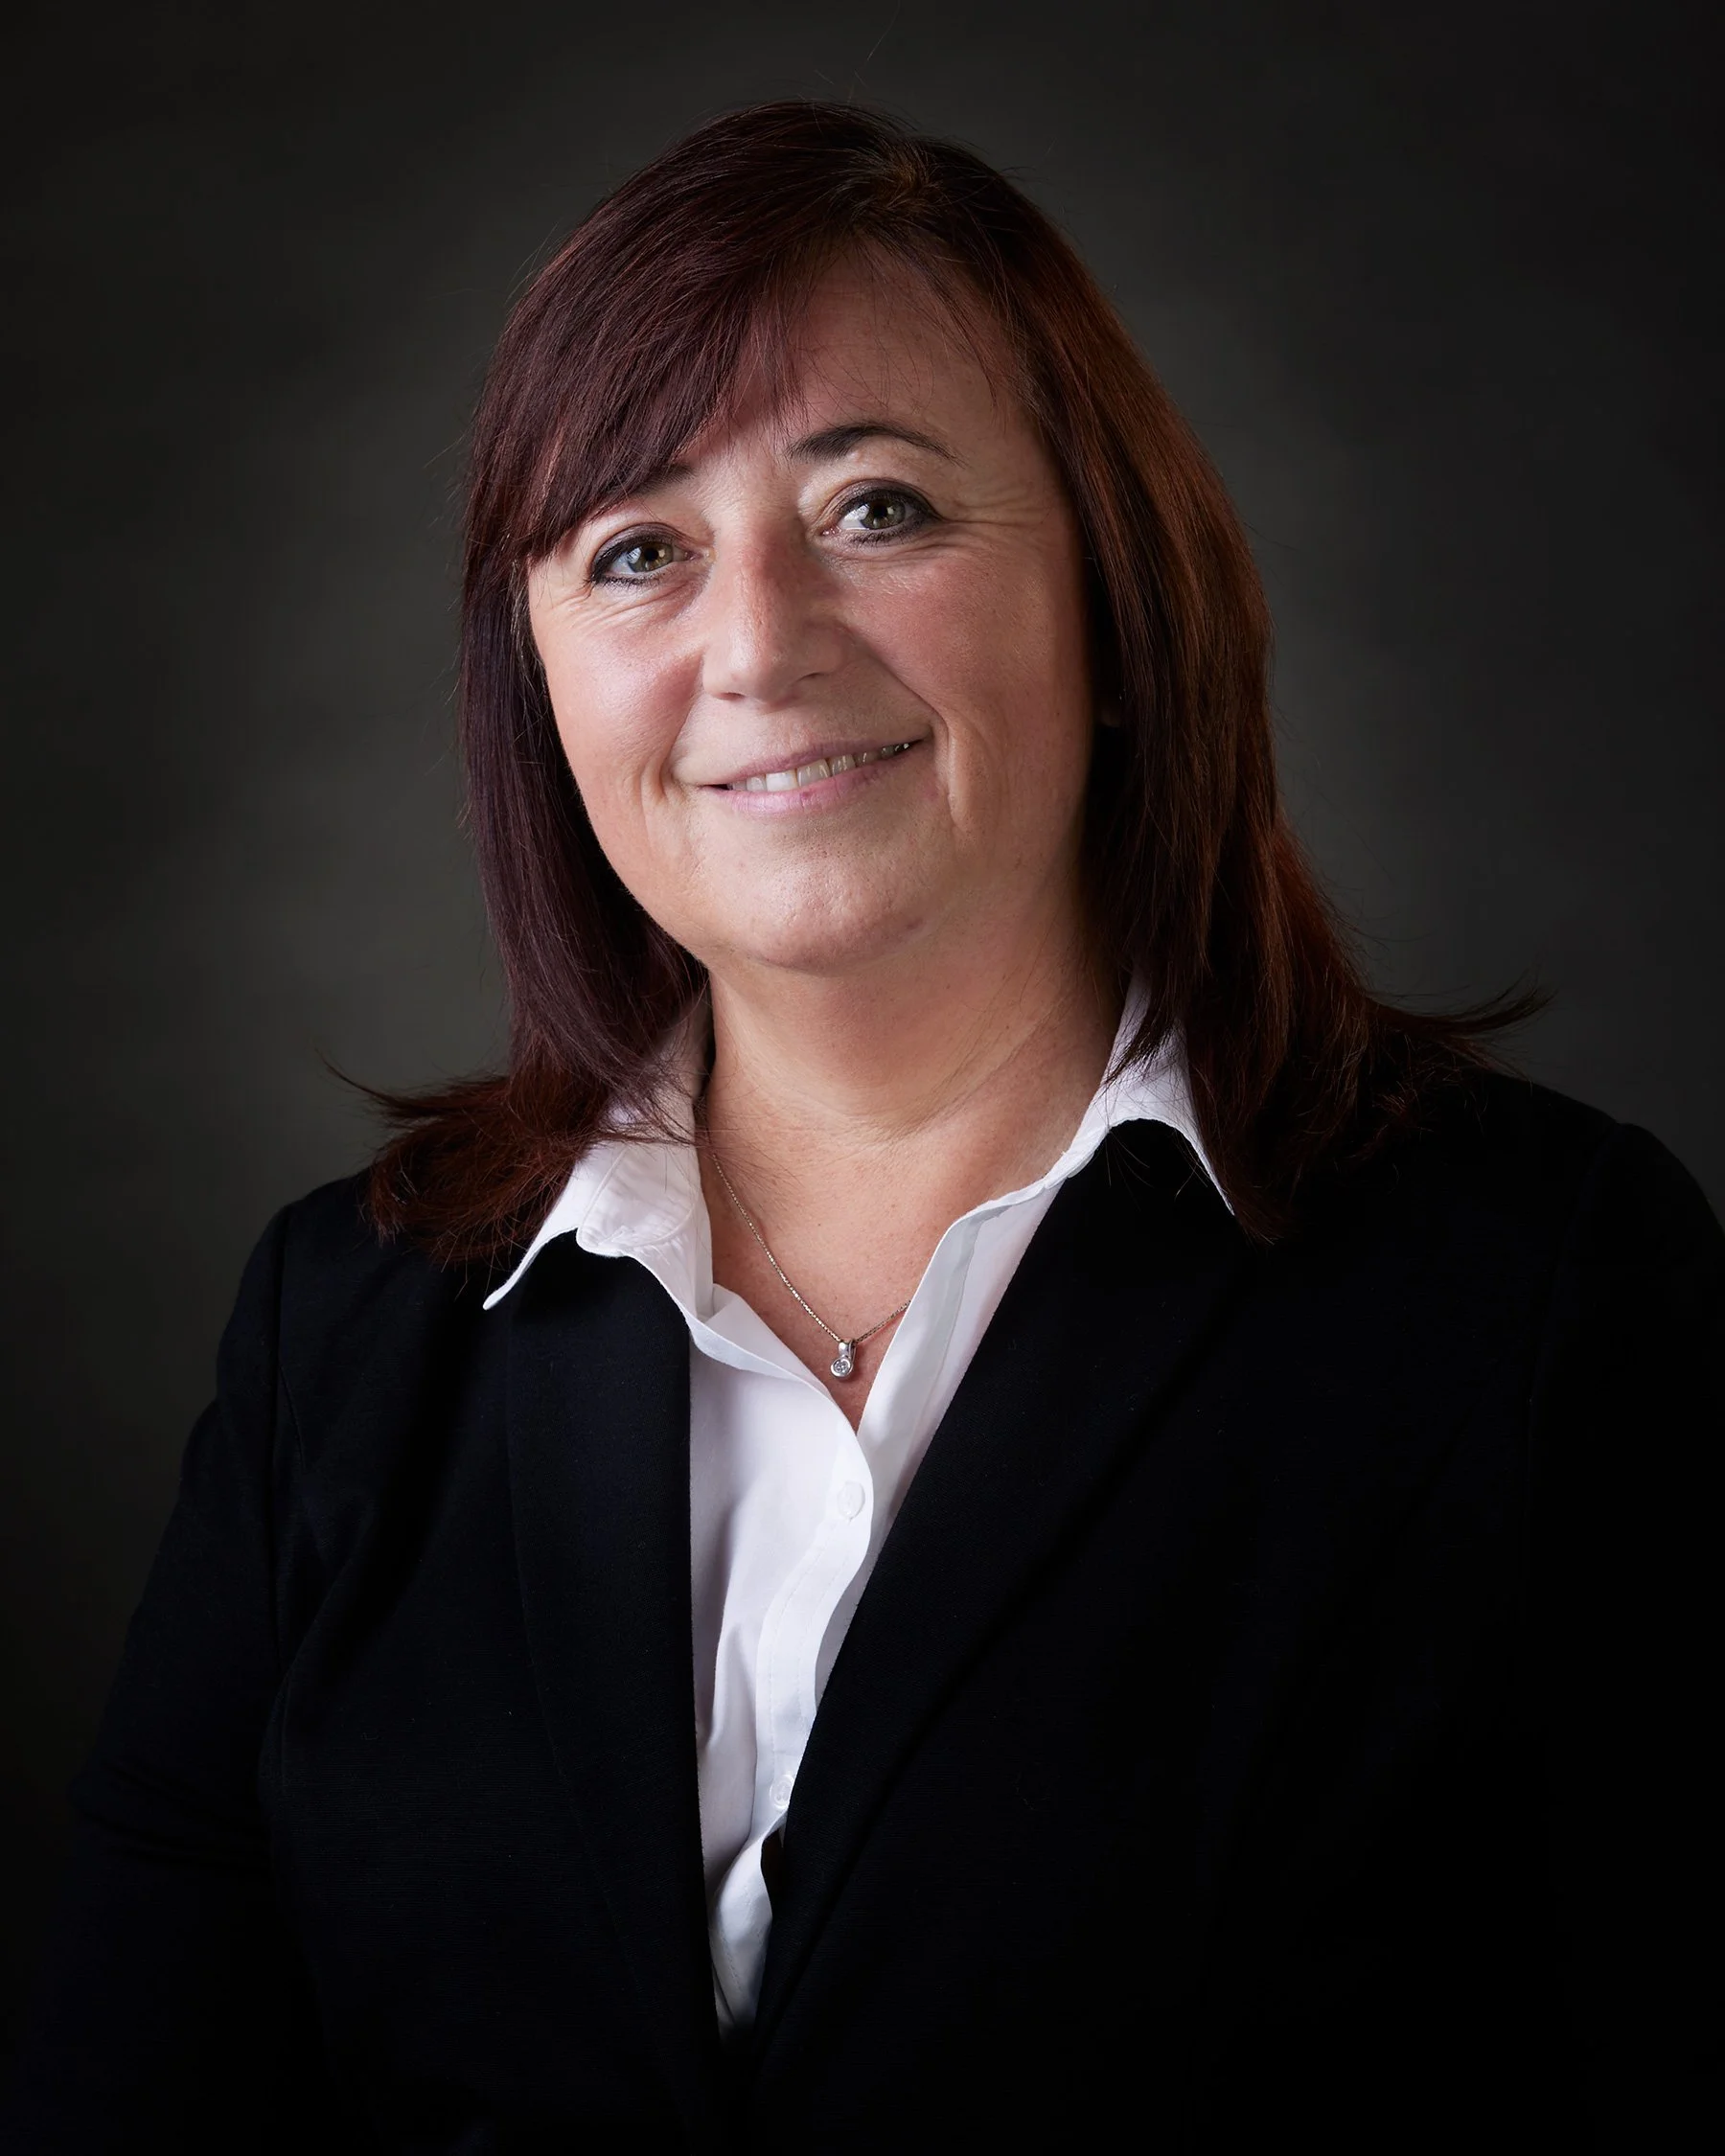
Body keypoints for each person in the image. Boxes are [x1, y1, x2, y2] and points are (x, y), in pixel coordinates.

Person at [2, 101, 1717, 2155]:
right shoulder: (340, 1332)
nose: (758, 644)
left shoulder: (1539, 1296)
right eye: (638, 551)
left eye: (880, 510)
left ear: (1115, 601)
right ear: (534, 681)